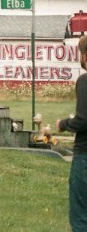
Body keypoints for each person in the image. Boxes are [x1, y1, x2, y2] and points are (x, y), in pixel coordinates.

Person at [58, 34, 87, 231]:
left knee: (81, 216)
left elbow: (83, 120)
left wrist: (64, 123)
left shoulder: (84, 81)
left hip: (85, 155)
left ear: (84, 55)